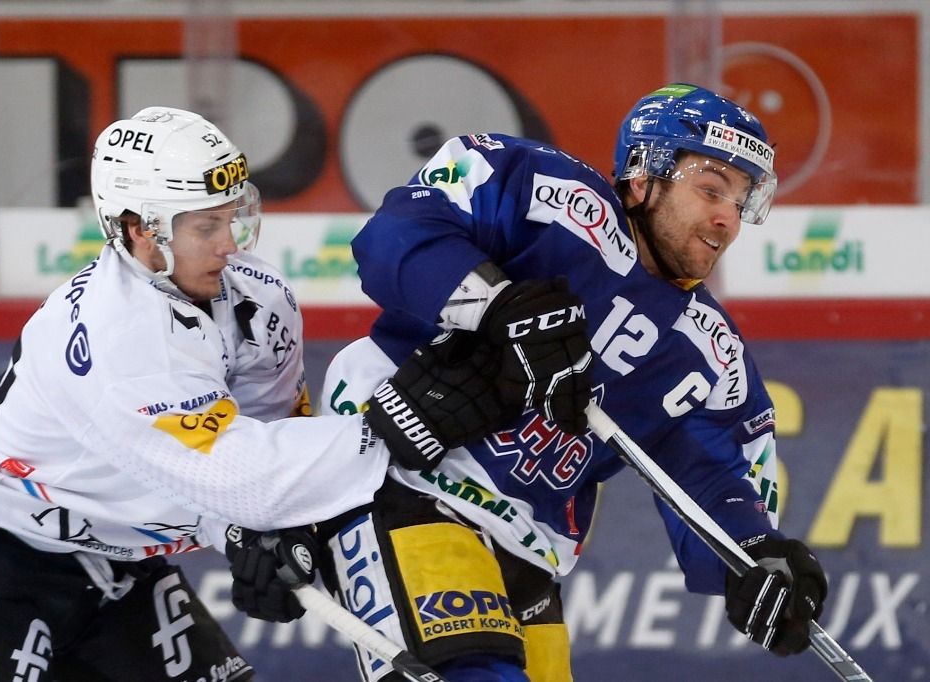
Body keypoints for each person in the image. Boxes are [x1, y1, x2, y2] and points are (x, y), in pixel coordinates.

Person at [0, 106, 506, 681]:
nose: (230, 244)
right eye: (205, 226)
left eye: (233, 215)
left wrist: (269, 532)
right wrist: (397, 425)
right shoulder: (118, 338)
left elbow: (270, 436)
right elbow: (238, 476)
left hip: (115, 561)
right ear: (139, 231)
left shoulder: (259, 297)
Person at [294, 84, 828, 681]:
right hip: (401, 474)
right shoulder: (541, 189)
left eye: (741, 199)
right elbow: (397, 234)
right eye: (710, 189)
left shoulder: (711, 353)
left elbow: (712, 477)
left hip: (529, 550)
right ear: (643, 175)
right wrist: (495, 306)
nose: (727, 218)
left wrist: (753, 553)